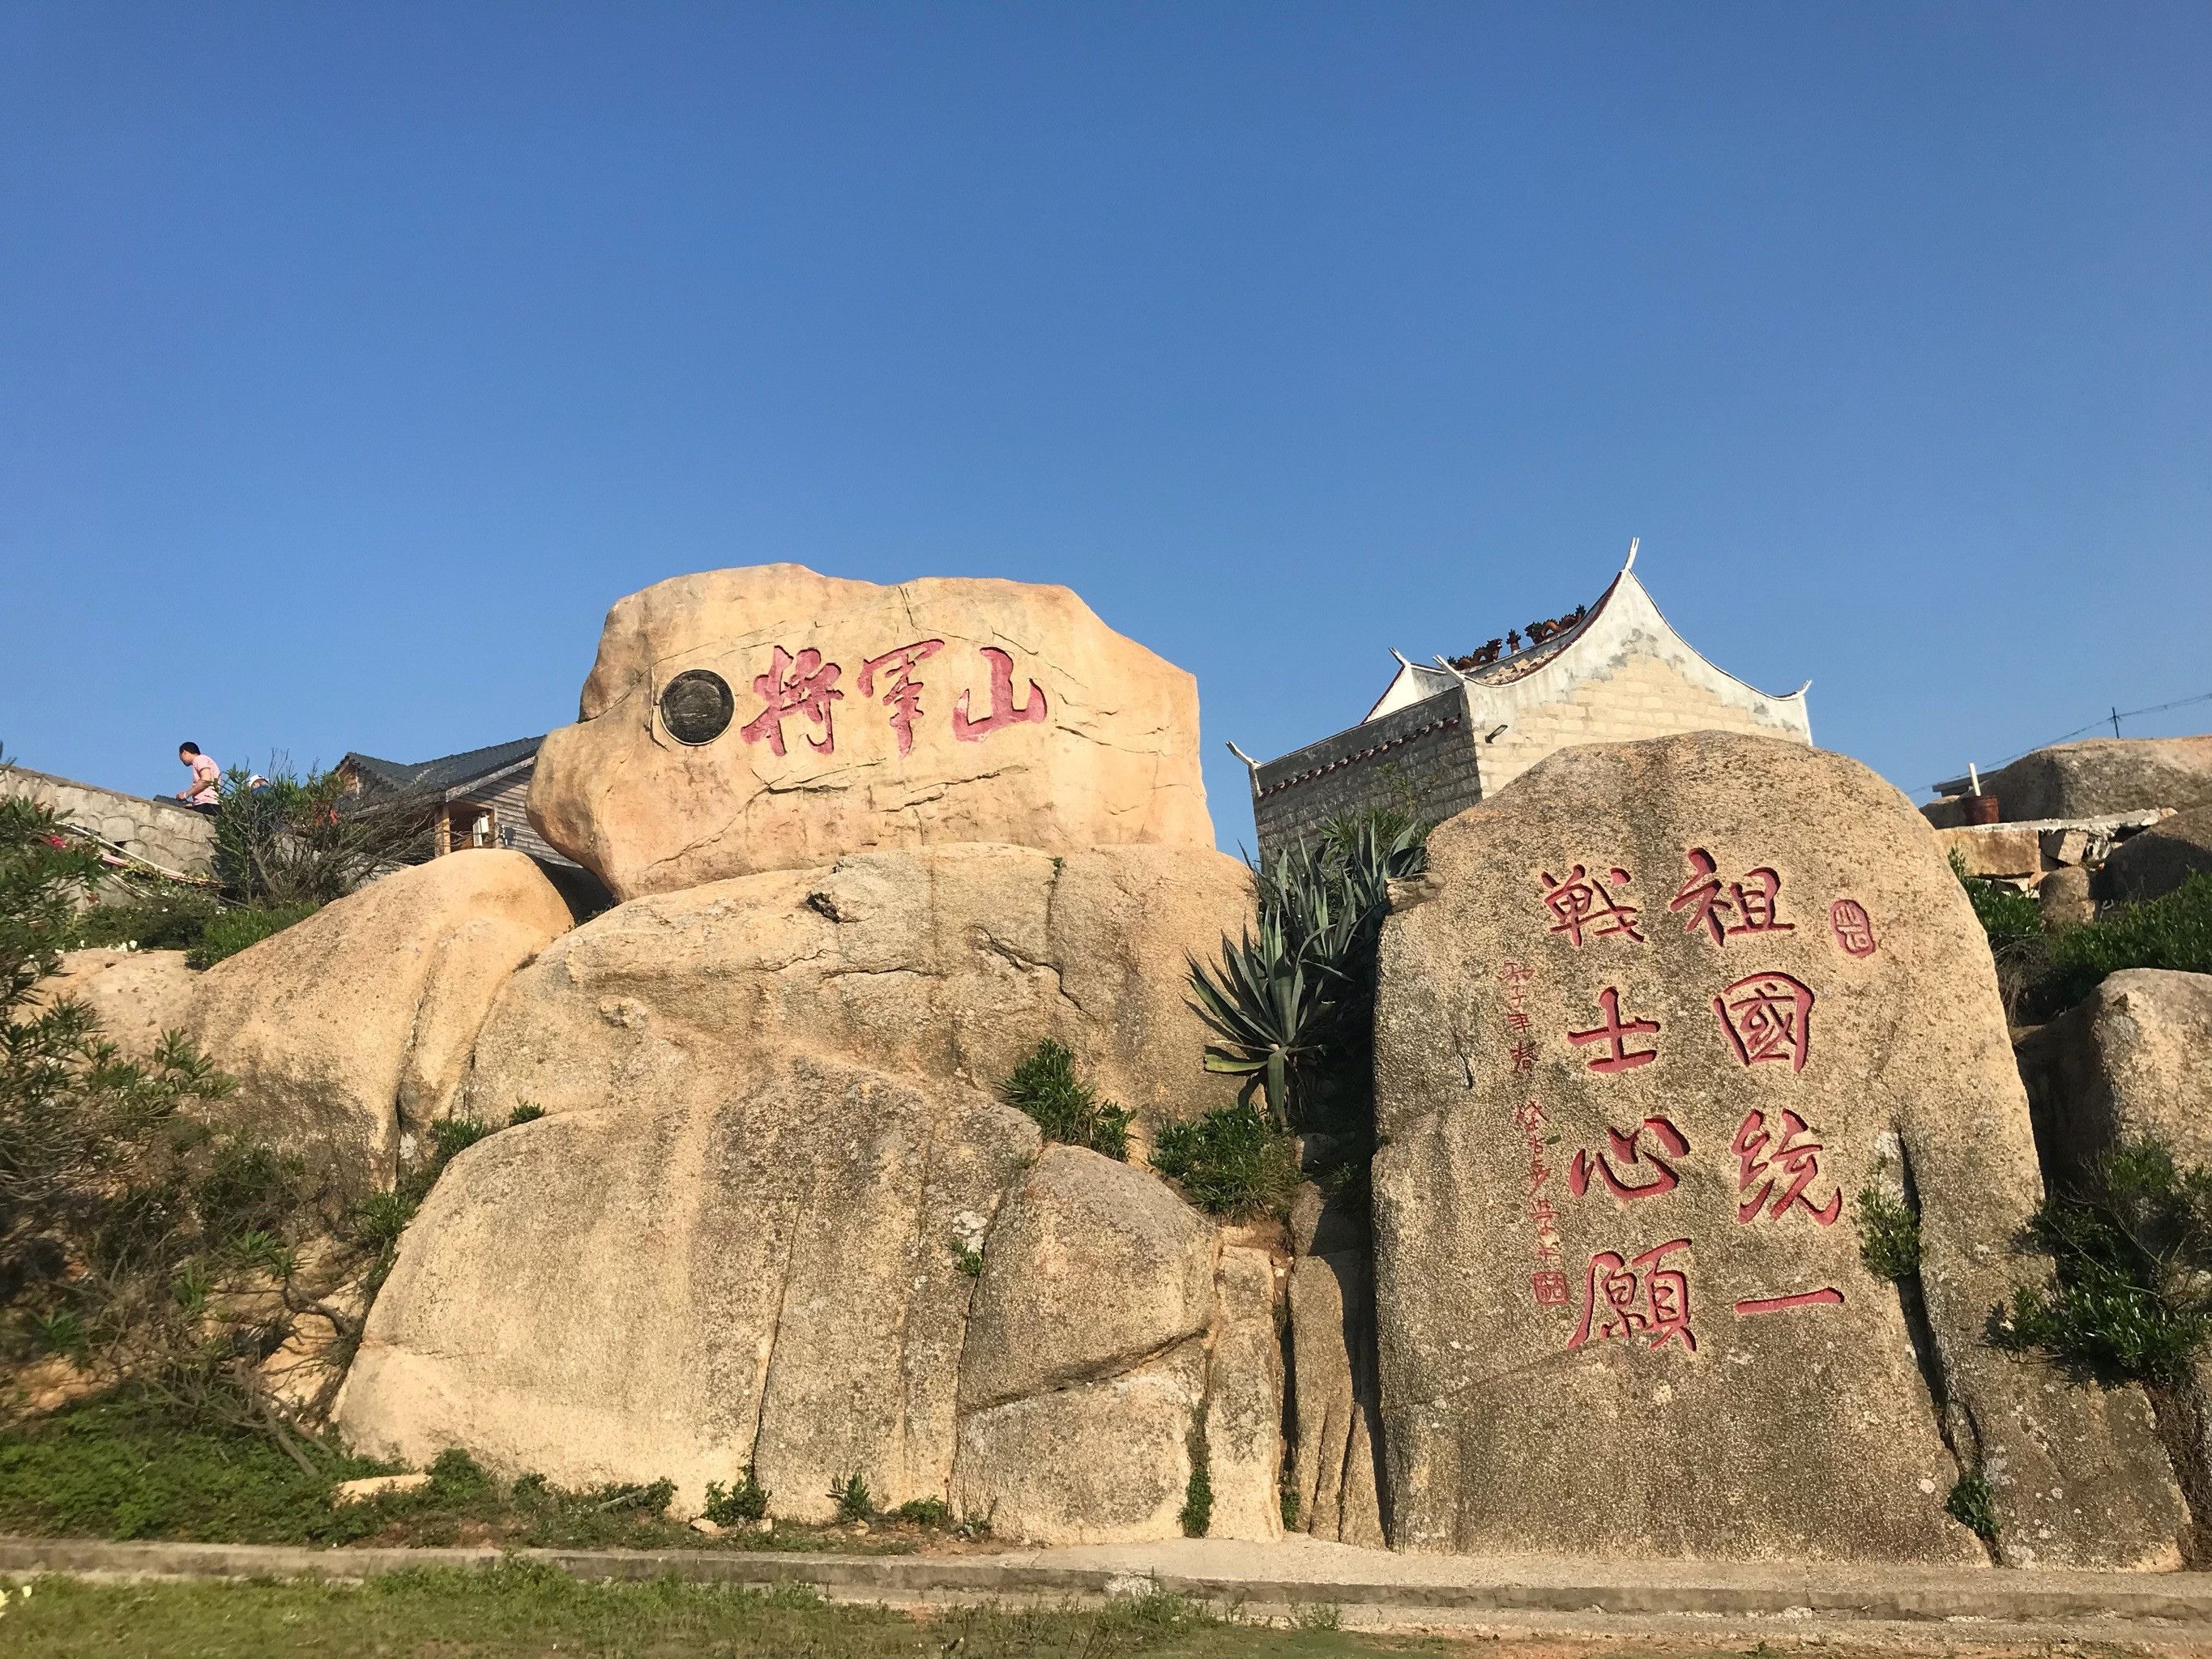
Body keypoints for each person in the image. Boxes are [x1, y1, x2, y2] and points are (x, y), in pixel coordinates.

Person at [176, 742, 220, 812]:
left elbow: (206, 780)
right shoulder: (205, 760)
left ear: (184, 752)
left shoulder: (199, 759)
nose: (182, 761)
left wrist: (185, 795)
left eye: (181, 758)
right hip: (212, 803)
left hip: (207, 804)